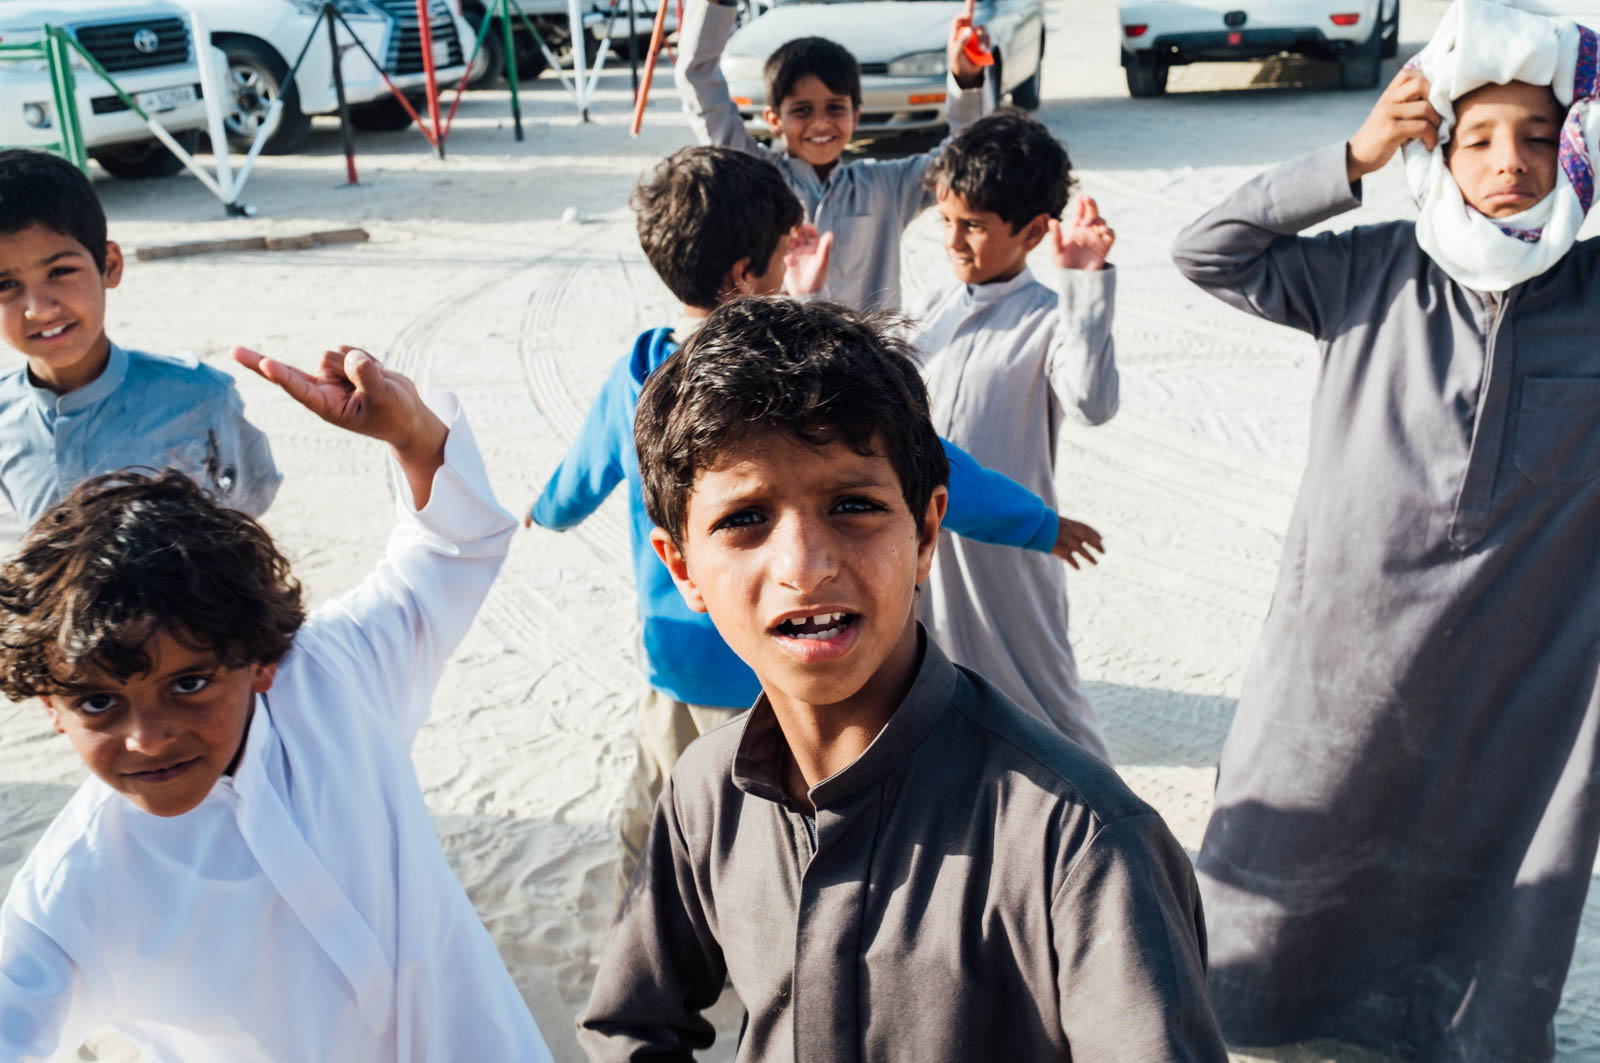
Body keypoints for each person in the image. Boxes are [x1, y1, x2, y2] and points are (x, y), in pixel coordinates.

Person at [576, 296, 1226, 1061]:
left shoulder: (1081, 847)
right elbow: (629, 1022)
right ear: (681, 566)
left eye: (853, 505)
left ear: (925, 534)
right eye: (746, 518)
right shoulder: (705, 793)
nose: (806, 566)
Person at [1171, 1, 1600, 1057]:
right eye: (1481, 137)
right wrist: (1351, 157)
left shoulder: (1592, 293)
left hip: (1525, 657)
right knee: (1290, 837)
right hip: (1340, 646)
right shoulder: (1368, 269)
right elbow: (1205, 251)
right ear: (1437, 150)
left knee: (1493, 853)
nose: (1511, 161)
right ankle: (1260, 1013)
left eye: (1539, 137)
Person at [528, 145, 1106, 893]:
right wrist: (1039, 524)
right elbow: (938, 469)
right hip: (779, 667)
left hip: (671, 661)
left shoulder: (640, 375)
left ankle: (645, 934)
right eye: (778, 254)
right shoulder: (788, 386)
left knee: (661, 811)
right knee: (779, 831)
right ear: (746, 275)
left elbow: (579, 477)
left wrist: (544, 510)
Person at [0, 344, 552, 1061]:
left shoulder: (331, 677)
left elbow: (449, 545)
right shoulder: (74, 889)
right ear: (51, 704)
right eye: (100, 702)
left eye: (189, 684)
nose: (148, 736)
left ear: (261, 659)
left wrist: (410, 431)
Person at [911, 109, 1119, 757]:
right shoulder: (927, 312)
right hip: (919, 555)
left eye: (974, 226)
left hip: (1006, 559)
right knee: (925, 712)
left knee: (1043, 712)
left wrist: (1085, 285)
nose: (953, 240)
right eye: (946, 221)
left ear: (1033, 232)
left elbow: (1092, 400)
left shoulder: (1047, 321)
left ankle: (1117, 841)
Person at [0, 149, 279, 528]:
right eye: (6, 285)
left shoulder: (200, 397)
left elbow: (251, 498)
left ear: (109, 265)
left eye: (61, 271)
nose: (39, 309)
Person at [673, 0, 993, 312]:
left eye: (835, 108)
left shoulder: (886, 187)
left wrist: (966, 81)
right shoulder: (757, 176)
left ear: (856, 115)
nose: (821, 122)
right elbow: (698, 82)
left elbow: (962, 159)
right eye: (802, 110)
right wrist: (716, 4)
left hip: (866, 359)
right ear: (773, 120)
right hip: (779, 361)